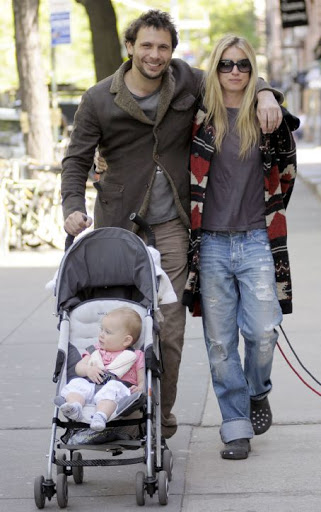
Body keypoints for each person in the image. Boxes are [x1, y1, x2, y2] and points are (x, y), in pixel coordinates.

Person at [61, 9, 283, 439]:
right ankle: (111, 405)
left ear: (172, 52)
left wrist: (267, 92)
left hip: (174, 225)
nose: (155, 54)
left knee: (170, 328)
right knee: (118, 324)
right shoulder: (99, 98)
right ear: (130, 47)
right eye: (146, 45)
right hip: (119, 227)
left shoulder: (187, 80)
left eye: (163, 47)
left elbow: (235, 72)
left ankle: (157, 417)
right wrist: (72, 205)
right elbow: (76, 160)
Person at [183, 35, 299, 460]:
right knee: (219, 343)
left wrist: (268, 93)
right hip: (210, 243)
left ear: (254, 70)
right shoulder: (197, 117)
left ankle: (255, 391)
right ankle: (235, 425)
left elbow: (286, 175)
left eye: (245, 65)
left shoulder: (267, 117)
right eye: (226, 65)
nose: (235, 72)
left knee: (263, 330)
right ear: (214, 69)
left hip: (255, 241)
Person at [60, 307, 144, 432]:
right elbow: (79, 367)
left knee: (112, 388)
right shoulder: (95, 350)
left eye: (108, 332)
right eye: (101, 329)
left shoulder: (135, 355)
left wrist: (140, 387)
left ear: (126, 340)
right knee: (76, 383)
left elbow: (142, 378)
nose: (101, 334)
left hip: (117, 392)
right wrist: (88, 370)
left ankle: (100, 416)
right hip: (92, 388)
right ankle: (75, 407)